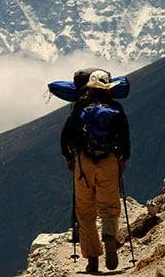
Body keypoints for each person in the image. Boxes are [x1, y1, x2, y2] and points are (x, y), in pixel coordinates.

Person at [60, 69, 130, 274]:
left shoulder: (80, 108)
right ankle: (109, 237)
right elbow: (125, 140)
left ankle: (92, 258)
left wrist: (69, 159)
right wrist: (122, 160)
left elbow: (66, 138)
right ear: (108, 88)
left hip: (84, 164)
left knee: (85, 210)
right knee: (109, 206)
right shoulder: (116, 108)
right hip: (109, 161)